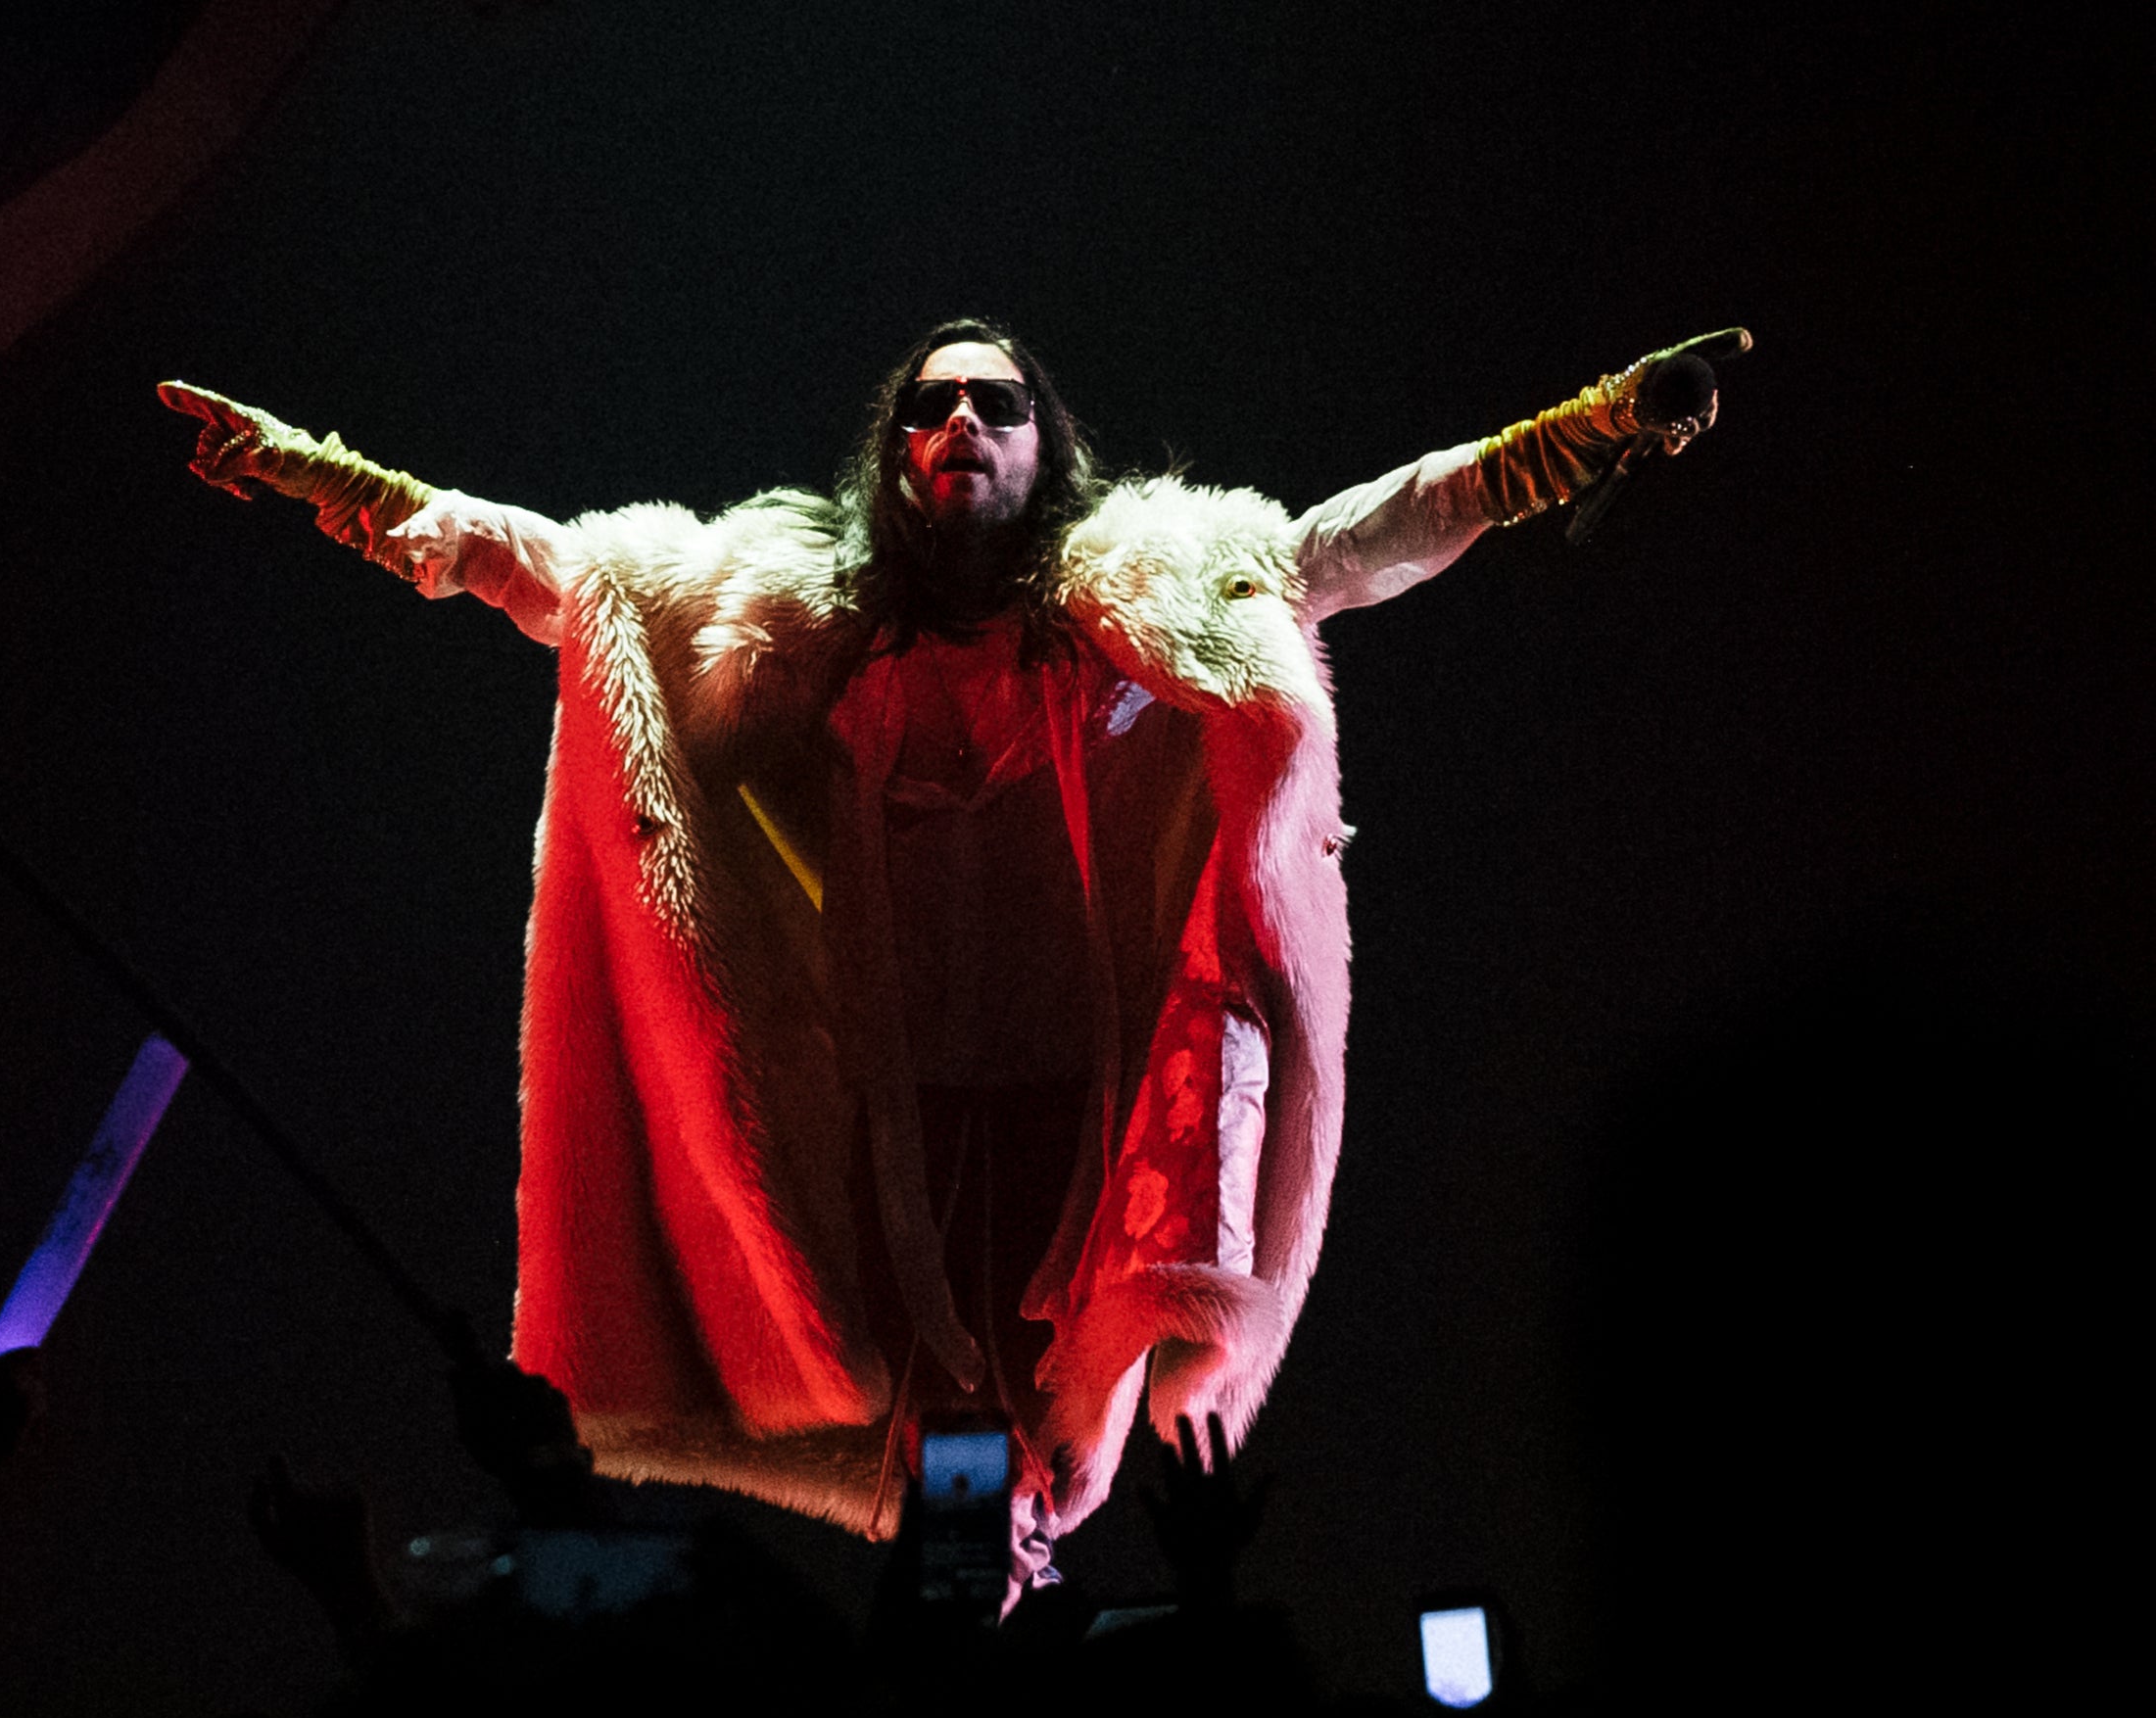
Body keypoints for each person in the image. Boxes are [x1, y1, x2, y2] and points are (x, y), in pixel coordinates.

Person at [160, 318, 1739, 1596]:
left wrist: (1568, 438)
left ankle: (1030, 1603)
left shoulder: (1152, 592)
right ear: (892, 454)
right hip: (891, 1113)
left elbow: (1358, 539)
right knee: (920, 1441)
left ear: (1045, 442)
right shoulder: (800, 618)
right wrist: (346, 489)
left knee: (1062, 1413)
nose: (960, 428)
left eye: (995, 404)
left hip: (1091, 1103)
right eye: (931, 409)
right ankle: (956, 1631)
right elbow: (560, 575)